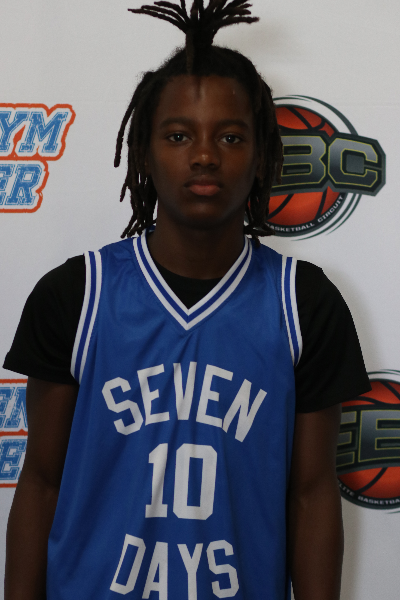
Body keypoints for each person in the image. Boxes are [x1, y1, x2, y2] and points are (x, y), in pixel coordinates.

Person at [3, 1, 371, 599]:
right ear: (145, 153)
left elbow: (311, 494)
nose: (204, 155)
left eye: (230, 136)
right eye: (179, 135)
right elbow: (41, 482)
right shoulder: (76, 295)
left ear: (261, 157)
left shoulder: (304, 304)